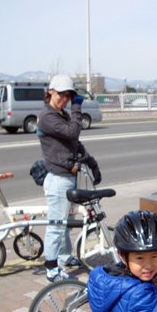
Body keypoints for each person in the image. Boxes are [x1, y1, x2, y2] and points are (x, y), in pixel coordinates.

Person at [37, 74, 102, 282]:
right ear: (50, 92)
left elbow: (75, 143)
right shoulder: (47, 116)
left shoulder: (60, 114)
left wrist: (91, 162)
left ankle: (64, 258)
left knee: (64, 223)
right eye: (61, 95)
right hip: (58, 179)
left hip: (67, 177)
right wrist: (76, 109)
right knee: (56, 226)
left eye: (68, 96)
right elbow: (73, 132)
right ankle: (51, 269)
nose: (64, 100)